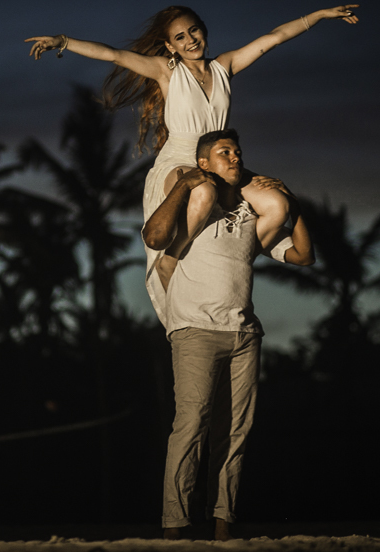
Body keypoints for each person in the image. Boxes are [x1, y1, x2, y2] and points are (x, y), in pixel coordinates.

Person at [26, 4, 357, 322]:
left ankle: (237, 255)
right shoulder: (166, 71)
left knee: (277, 204)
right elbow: (114, 55)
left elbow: (275, 37)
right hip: (181, 160)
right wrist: (63, 42)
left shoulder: (225, 65)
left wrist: (320, 14)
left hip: (219, 159)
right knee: (203, 191)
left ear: (204, 30)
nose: (190, 40)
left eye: (194, 30)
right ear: (170, 46)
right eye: (180, 37)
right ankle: (171, 260)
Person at [142, 129, 314, 540]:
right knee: (190, 426)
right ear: (204, 163)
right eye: (225, 152)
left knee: (235, 434)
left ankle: (223, 527)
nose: (236, 157)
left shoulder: (252, 218)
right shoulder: (194, 212)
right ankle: (175, 529)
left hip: (244, 335)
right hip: (195, 331)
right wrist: (184, 183)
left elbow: (304, 256)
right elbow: (154, 236)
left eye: (238, 152)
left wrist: (295, 205)